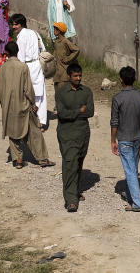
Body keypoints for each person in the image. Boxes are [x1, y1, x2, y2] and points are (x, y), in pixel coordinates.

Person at [0, 40, 53, 168]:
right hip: (23, 105)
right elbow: (28, 89)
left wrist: (2, 103)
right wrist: (33, 103)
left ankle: (18, 160)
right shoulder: (23, 67)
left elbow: (0, 89)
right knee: (34, 132)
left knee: (13, 133)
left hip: (8, 107)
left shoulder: (3, 68)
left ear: (6, 52)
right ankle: (42, 159)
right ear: (17, 52)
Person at [110, 65, 140, 212]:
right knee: (133, 168)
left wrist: (112, 140)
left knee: (130, 170)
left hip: (124, 139)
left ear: (121, 80)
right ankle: (129, 193)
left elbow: (114, 122)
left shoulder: (117, 98)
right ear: (134, 79)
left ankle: (137, 203)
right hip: (138, 138)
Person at [55, 63, 94, 212]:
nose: (78, 78)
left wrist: (74, 113)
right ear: (69, 76)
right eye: (75, 76)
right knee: (69, 164)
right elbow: (62, 114)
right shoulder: (61, 93)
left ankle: (75, 191)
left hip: (83, 133)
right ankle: (71, 200)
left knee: (77, 163)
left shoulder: (86, 92)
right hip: (67, 134)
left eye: (80, 76)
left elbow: (90, 111)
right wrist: (79, 110)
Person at [10, 14, 48, 128]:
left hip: (27, 66)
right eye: (13, 24)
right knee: (40, 93)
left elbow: (20, 57)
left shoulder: (21, 37)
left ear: (21, 24)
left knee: (28, 94)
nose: (13, 27)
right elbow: (43, 49)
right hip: (38, 64)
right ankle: (41, 121)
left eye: (16, 24)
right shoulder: (34, 33)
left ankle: (31, 121)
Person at [50, 21, 80, 89]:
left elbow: (76, 50)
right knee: (57, 96)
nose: (54, 30)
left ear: (59, 31)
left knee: (64, 94)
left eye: (55, 28)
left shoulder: (65, 41)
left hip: (64, 74)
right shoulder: (56, 41)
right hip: (57, 74)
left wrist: (68, 59)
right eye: (54, 28)